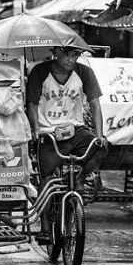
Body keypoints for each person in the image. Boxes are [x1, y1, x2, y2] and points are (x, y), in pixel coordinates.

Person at [26, 46, 109, 243]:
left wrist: (99, 135)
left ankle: (79, 179)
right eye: (67, 55)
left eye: (75, 55)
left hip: (76, 130)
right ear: (56, 52)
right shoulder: (40, 71)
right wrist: (35, 130)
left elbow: (96, 104)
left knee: (102, 148)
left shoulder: (84, 72)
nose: (71, 60)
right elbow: (32, 104)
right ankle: (45, 227)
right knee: (46, 179)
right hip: (49, 133)